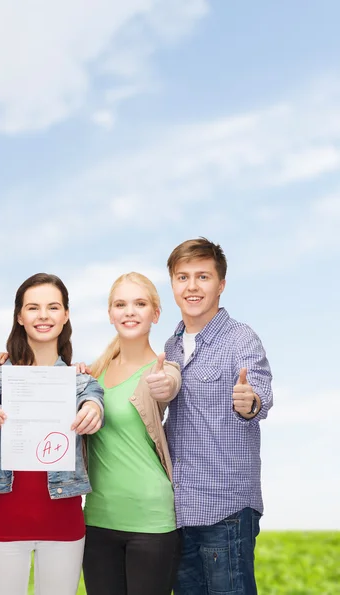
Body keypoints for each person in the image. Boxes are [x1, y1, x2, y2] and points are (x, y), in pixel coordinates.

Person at [0, 273, 105, 595]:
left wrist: (93, 411)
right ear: (20, 316)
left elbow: (94, 401)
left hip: (64, 524)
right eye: (33, 307)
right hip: (3, 523)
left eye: (53, 307)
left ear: (65, 315)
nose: (43, 315)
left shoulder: (82, 382)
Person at [164, 238, 273, 595]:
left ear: (221, 285)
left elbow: (259, 395)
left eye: (203, 277)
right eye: (183, 277)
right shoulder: (171, 346)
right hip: (181, 510)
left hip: (225, 509)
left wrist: (249, 403)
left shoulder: (241, 339)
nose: (192, 286)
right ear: (173, 284)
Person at [82, 272, 182, 595]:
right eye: (121, 304)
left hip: (151, 521)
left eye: (140, 304)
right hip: (97, 520)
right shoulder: (93, 375)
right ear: (110, 314)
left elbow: (170, 384)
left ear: (155, 313)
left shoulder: (162, 369)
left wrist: (165, 384)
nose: (129, 311)